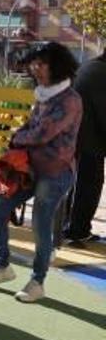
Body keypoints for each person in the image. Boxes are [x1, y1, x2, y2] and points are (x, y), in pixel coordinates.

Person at [0, 42, 82, 303]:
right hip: (28, 169)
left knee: (40, 225)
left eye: (41, 63)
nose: (35, 69)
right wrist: (18, 139)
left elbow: (42, 132)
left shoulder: (70, 99)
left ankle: (37, 281)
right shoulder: (43, 95)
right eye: (33, 64)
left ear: (56, 65)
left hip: (56, 172)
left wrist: (17, 138)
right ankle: (1, 266)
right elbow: (29, 129)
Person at [64, 48, 106, 244]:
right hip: (89, 141)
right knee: (89, 185)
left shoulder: (89, 67)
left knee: (72, 184)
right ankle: (79, 229)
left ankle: (66, 225)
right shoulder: (101, 74)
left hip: (73, 136)